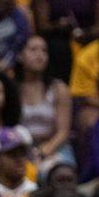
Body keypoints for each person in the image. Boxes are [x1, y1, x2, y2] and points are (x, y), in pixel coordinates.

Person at [15, 36, 73, 170]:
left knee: (58, 172)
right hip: (19, 149)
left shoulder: (59, 88)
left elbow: (63, 132)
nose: (39, 55)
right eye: (33, 50)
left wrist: (44, 151)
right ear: (20, 55)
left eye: (44, 50)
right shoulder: (11, 88)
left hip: (55, 146)